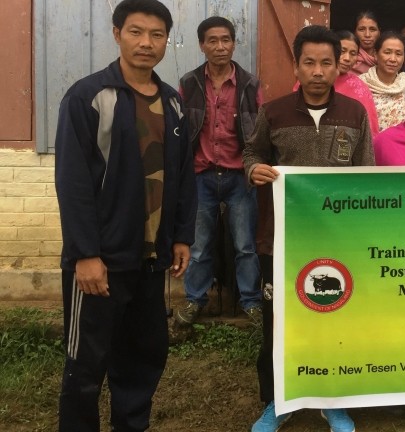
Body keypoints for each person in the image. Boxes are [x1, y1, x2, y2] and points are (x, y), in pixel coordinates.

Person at [54, 0, 196, 430]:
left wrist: (181, 236)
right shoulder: (89, 97)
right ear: (116, 34)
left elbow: (183, 176)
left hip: (149, 262)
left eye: (156, 35)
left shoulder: (172, 103)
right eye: (136, 32)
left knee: (142, 357)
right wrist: (85, 254)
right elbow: (73, 182)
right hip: (101, 261)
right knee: (86, 364)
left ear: (167, 41)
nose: (146, 43)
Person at [244, 25, 374, 432]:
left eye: (326, 63)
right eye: (309, 63)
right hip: (279, 239)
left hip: (337, 240)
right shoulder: (274, 112)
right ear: (297, 67)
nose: (318, 71)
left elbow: (365, 174)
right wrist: (253, 169)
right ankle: (277, 402)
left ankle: (331, 401)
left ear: (339, 67)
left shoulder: (355, 114)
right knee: (277, 320)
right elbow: (252, 151)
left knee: (334, 317)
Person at [176, 16, 263, 327]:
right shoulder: (189, 83)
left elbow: (259, 130)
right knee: (198, 246)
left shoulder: (251, 84)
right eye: (212, 40)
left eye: (225, 40)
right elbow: (181, 130)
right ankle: (194, 299)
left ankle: (251, 302)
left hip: (240, 176)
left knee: (245, 245)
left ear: (234, 43)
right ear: (202, 45)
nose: (219, 46)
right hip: (201, 176)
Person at [293, 30, 380, 137]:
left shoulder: (360, 88)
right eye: (343, 51)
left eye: (353, 54)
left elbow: (369, 129)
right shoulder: (310, 81)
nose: (347, 58)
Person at [360, 32, 405, 131]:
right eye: (387, 52)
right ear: (375, 54)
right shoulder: (360, 84)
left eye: (398, 54)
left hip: (401, 144)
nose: (393, 59)